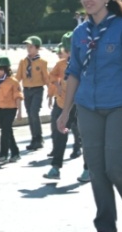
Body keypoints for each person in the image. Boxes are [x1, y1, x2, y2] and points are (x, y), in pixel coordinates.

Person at [58, 0, 122, 232]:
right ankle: (106, 226)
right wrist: (66, 111)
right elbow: (74, 72)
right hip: (88, 108)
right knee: (98, 172)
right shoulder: (79, 33)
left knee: (118, 168)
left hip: (120, 106)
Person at [44, 35, 85, 181]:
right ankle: (55, 167)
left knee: (85, 137)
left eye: (71, 50)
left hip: (82, 105)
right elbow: (52, 76)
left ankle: (88, 169)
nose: (69, 53)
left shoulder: (86, 64)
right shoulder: (61, 64)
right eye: (67, 50)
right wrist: (57, 83)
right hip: (63, 104)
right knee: (59, 134)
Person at [0, 56, 23, 165]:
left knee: (5, 132)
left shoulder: (13, 82)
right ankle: (15, 153)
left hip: (11, 109)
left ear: (6, 69)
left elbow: (18, 97)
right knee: (8, 132)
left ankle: (3, 154)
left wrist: (20, 112)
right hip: (0, 109)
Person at [16, 35, 49, 152]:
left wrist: (51, 93)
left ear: (37, 48)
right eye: (27, 46)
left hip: (37, 90)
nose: (28, 49)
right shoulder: (23, 62)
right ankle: (34, 138)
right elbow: (18, 77)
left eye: (31, 47)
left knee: (34, 112)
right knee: (30, 114)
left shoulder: (42, 62)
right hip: (27, 90)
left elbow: (46, 78)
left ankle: (39, 138)